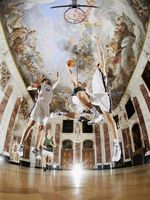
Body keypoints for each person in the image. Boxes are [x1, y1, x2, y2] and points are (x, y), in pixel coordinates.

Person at [88, 36, 121, 162]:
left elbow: (102, 56)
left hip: (103, 96)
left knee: (109, 118)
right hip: (97, 97)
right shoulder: (94, 75)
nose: (99, 63)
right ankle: (96, 115)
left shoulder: (101, 69)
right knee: (83, 97)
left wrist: (97, 41)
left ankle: (116, 144)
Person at [17, 72, 60, 158]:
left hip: (47, 106)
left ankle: (36, 149)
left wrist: (58, 77)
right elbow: (29, 88)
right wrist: (38, 81)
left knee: (41, 128)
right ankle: (21, 146)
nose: (48, 80)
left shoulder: (51, 88)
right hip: (39, 103)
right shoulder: (40, 85)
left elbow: (57, 81)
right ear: (44, 82)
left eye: (48, 80)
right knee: (31, 124)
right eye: (46, 80)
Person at [65, 59, 104, 124]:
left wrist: (68, 69)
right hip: (81, 97)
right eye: (79, 83)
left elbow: (73, 76)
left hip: (81, 92)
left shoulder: (78, 86)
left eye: (80, 83)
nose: (80, 83)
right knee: (83, 103)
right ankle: (95, 115)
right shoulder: (79, 88)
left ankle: (97, 114)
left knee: (82, 98)